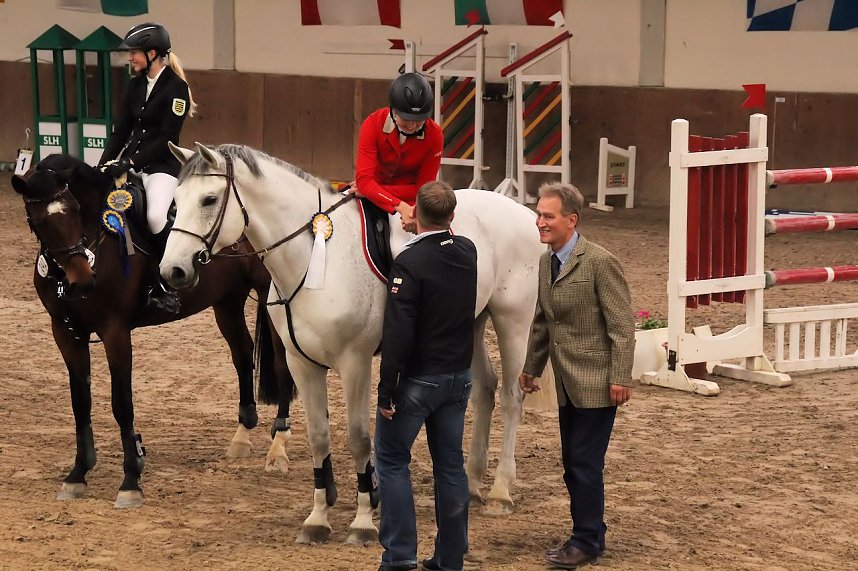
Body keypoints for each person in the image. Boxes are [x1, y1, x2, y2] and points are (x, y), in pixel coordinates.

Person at [518, 182, 635, 569]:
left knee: (584, 463)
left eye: (548, 216)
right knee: (573, 463)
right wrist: (531, 368)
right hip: (567, 384)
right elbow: (541, 322)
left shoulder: (600, 262)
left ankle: (586, 542)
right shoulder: (544, 262)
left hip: (598, 382)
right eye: (539, 215)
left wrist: (620, 376)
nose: (540, 222)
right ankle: (589, 532)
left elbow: (621, 326)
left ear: (572, 220)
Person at [374, 181, 477, 571]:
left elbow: (398, 333)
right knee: (450, 465)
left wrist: (387, 391)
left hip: (419, 380)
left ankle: (400, 556)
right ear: (452, 217)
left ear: (414, 212)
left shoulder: (409, 263)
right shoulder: (468, 250)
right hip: (458, 377)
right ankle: (450, 558)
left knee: (392, 461)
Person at [99, 22, 197, 313]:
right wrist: (104, 163)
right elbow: (121, 131)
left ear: (152, 53)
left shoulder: (176, 89)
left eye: (135, 53)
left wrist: (130, 162)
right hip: (131, 163)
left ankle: (164, 285)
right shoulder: (135, 85)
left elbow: (167, 136)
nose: (131, 59)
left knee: (155, 217)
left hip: (162, 168)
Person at [352, 72, 444, 234]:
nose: (412, 126)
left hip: (408, 203)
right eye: (406, 120)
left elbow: (422, 189)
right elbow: (364, 180)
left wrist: (373, 191)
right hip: (372, 195)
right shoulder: (372, 124)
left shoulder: (435, 135)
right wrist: (397, 204)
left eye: (419, 121)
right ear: (393, 111)